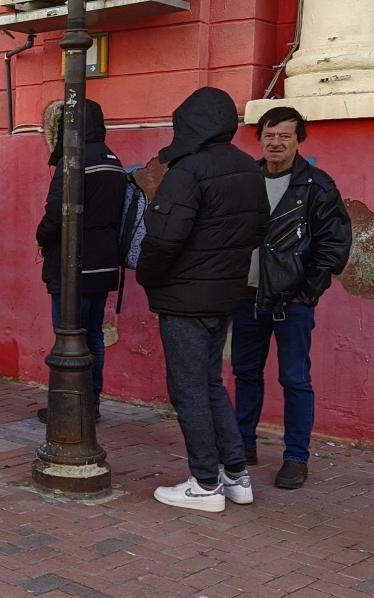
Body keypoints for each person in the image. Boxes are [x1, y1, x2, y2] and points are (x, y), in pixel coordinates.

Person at [137, 87, 270, 513]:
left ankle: (206, 483)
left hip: (186, 299)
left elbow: (162, 239)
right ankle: (235, 475)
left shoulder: (188, 171)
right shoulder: (249, 168)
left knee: (190, 389)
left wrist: (148, 278)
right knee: (211, 383)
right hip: (226, 294)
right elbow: (257, 231)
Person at [232, 107, 352, 490]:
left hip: (292, 303)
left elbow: (334, 244)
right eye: (269, 135)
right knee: (245, 374)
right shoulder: (246, 178)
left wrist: (306, 292)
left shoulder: (316, 186)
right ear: (260, 139)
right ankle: (243, 445)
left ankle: (296, 458)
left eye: (285, 135)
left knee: (295, 379)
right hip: (246, 297)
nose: (276, 143)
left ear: (300, 139)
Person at [35, 100, 124, 424]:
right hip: (104, 262)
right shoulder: (112, 159)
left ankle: (67, 406)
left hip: (73, 263)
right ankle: (91, 403)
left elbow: (57, 212)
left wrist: (41, 236)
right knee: (94, 336)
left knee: (68, 337)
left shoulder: (75, 160)